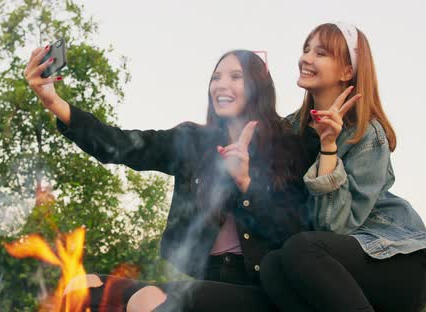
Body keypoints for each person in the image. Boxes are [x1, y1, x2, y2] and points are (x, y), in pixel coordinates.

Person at [24, 47, 311, 311]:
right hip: (204, 281)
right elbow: (124, 145)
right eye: (216, 77)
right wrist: (54, 102)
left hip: (259, 291)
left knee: (151, 302)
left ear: (258, 86)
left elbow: (292, 231)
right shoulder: (194, 141)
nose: (221, 85)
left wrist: (246, 182)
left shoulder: (289, 147)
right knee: (82, 288)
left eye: (236, 76)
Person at [259, 22, 426, 312]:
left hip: (393, 262)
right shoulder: (290, 129)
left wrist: (329, 146)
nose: (305, 58)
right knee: (271, 267)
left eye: (320, 53)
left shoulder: (366, 133)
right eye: (306, 49)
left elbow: (334, 227)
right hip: (327, 267)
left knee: (299, 249)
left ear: (347, 72)